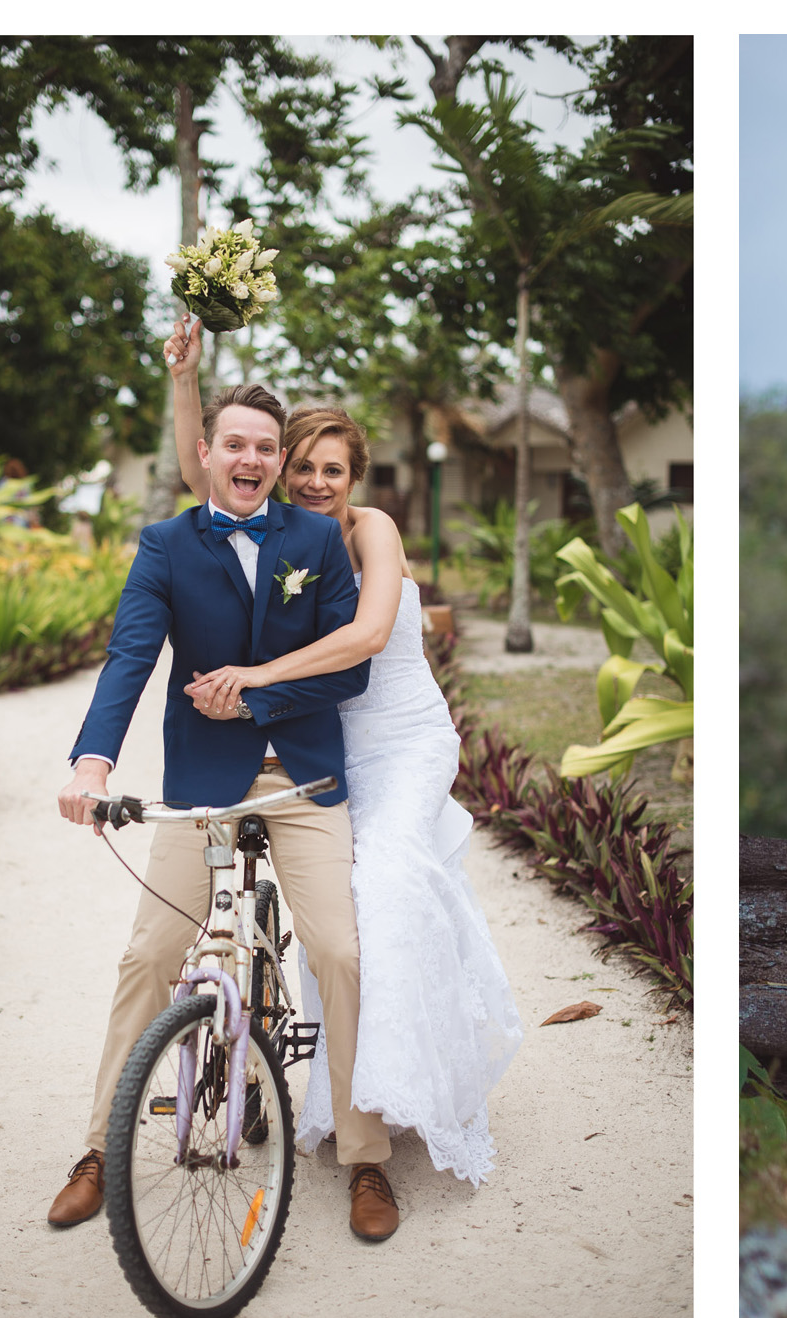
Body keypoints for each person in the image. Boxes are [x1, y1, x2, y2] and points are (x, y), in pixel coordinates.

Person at [158, 324, 525, 1194]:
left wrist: (256, 675)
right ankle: (341, 1080)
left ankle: (393, 1097)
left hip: (402, 737)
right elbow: (200, 471)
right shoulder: (278, 532)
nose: (317, 482)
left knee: (387, 886)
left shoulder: (372, 532)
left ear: (354, 477)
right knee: (338, 913)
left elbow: (366, 634)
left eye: (334, 469)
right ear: (281, 472)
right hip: (329, 739)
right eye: (303, 468)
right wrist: (185, 380)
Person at [39, 374, 403, 1240]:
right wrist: (91, 766)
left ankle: (366, 1157)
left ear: (278, 461)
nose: (251, 459)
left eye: (265, 448)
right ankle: (98, 1150)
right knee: (149, 953)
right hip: (203, 779)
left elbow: (349, 668)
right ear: (205, 453)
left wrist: (253, 700)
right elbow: (130, 657)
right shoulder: (165, 544)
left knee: (340, 952)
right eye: (234, 443)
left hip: (302, 778)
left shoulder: (316, 537)